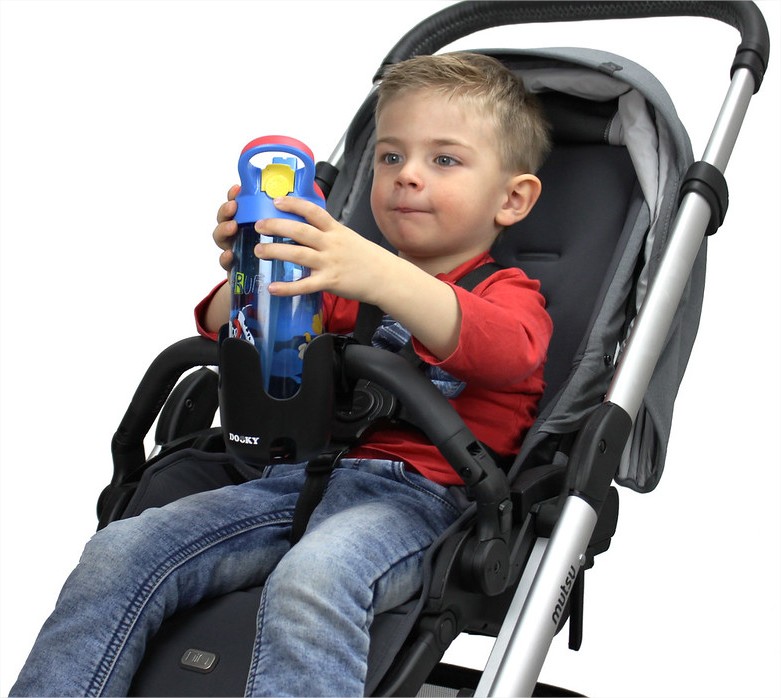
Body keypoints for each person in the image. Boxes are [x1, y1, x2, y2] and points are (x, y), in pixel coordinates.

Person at [11, 52, 552, 697]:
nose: (407, 175)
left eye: (444, 160)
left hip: (418, 502)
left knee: (314, 580)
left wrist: (378, 273)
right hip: (289, 478)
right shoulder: (338, 278)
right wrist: (253, 261)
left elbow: (506, 351)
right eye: (389, 156)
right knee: (119, 551)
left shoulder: (508, 296)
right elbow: (223, 326)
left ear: (512, 198)